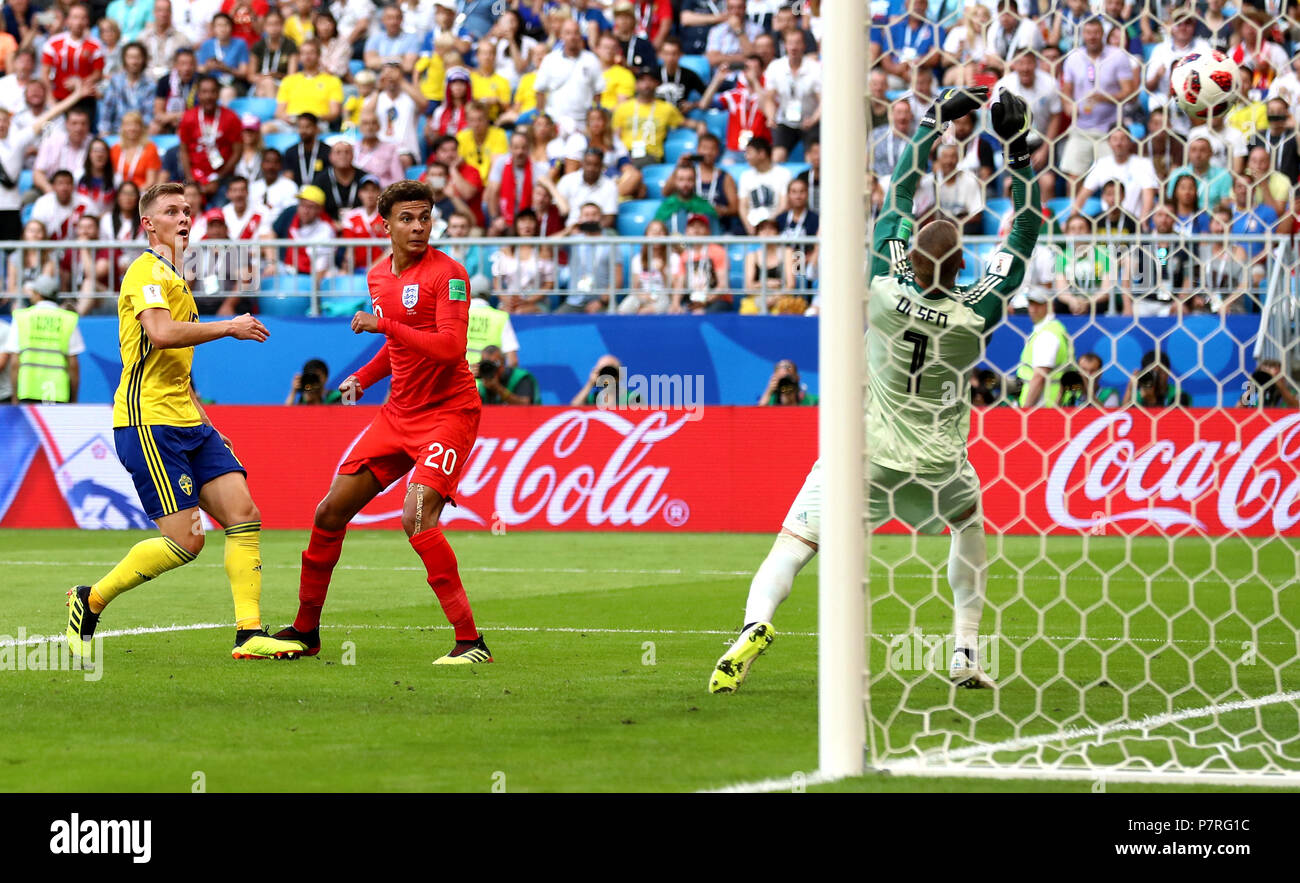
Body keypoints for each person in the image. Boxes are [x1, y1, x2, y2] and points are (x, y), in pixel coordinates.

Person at [709, 87, 1041, 694]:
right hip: (939, 461)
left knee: (793, 544)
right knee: (969, 526)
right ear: (962, 269)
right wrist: (1017, 152)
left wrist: (935, 122)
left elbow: (899, 194)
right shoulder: (977, 314)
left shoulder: (887, 291)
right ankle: (965, 649)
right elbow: (1022, 237)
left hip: (862, 453)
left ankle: (755, 624)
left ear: (909, 259)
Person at [65, 181, 301, 661]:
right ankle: (89, 600)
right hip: (147, 422)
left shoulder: (176, 276)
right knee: (186, 541)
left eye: (188, 210)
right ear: (148, 223)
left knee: (244, 515)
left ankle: (248, 633)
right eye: (172, 211)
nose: (185, 218)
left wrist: (207, 421)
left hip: (189, 422)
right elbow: (162, 332)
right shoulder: (145, 271)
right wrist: (230, 326)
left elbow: (178, 369)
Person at [275, 180, 492, 666]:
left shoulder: (450, 276)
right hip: (398, 415)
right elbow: (397, 350)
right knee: (329, 512)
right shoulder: (378, 277)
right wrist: (363, 378)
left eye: (425, 218)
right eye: (407, 219)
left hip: (448, 414)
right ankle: (306, 631)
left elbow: (450, 348)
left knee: (415, 518)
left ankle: (471, 642)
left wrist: (385, 326)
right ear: (386, 224)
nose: (418, 227)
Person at [4, 284, 84, 402]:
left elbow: (15, 362)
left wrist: (14, 396)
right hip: (57, 392)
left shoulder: (22, 317)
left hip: (28, 390)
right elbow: (73, 365)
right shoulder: (68, 318)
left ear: (37, 294)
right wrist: (74, 398)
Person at [177, 75, 241, 202]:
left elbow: (237, 152)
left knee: (219, 210)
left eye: (212, 92)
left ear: (218, 94)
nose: (208, 96)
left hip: (222, 178)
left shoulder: (231, 117)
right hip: (194, 177)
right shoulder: (188, 117)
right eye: (204, 92)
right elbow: (183, 151)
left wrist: (218, 178)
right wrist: (191, 181)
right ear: (198, 95)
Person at [1017, 287, 1074, 405]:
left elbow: (1039, 377)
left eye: (1038, 304)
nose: (1033, 309)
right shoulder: (1054, 329)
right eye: (1031, 304)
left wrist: (1025, 412)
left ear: (1050, 305)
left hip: (1043, 408)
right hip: (1050, 406)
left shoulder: (1047, 335)